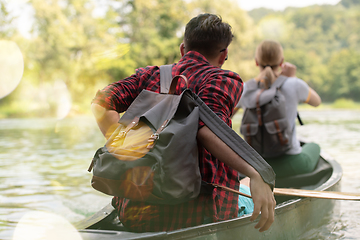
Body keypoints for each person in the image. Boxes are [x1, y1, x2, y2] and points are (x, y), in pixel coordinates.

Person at [91, 14, 275, 233]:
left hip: (134, 214)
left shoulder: (149, 76)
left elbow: (101, 103)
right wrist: (256, 173)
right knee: (252, 190)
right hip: (200, 215)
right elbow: (207, 130)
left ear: (182, 49)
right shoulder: (221, 80)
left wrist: (123, 143)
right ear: (224, 54)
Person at [234, 40, 322, 178]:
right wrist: (292, 77)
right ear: (282, 62)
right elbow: (317, 102)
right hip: (290, 165)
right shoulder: (294, 84)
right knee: (314, 147)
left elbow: (225, 116)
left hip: (256, 169)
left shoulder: (245, 89)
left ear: (256, 62)